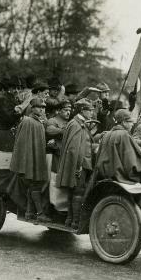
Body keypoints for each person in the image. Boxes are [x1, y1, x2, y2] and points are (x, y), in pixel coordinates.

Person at [94, 109, 141, 215]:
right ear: (123, 122)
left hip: (105, 173)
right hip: (120, 174)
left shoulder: (108, 134)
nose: (132, 125)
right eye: (130, 122)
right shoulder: (124, 135)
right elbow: (132, 159)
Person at [56, 98, 95, 229]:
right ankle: (75, 221)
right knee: (78, 192)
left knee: (73, 192)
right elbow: (74, 149)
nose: (92, 113)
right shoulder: (76, 125)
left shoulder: (78, 123)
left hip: (80, 164)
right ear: (83, 110)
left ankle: (70, 219)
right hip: (79, 165)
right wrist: (78, 166)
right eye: (90, 110)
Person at [10, 98, 50, 222]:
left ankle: (28, 212)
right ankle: (40, 213)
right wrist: (25, 162)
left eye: (43, 107)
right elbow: (21, 143)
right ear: (32, 108)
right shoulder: (27, 121)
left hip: (36, 157)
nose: (41, 109)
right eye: (39, 107)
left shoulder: (39, 122)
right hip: (29, 159)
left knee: (33, 185)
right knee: (35, 185)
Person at [46, 99, 72, 173]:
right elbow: (49, 130)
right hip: (53, 156)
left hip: (64, 155)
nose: (68, 112)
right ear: (58, 111)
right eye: (66, 110)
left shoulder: (68, 123)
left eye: (69, 110)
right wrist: (64, 131)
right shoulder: (53, 120)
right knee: (53, 179)